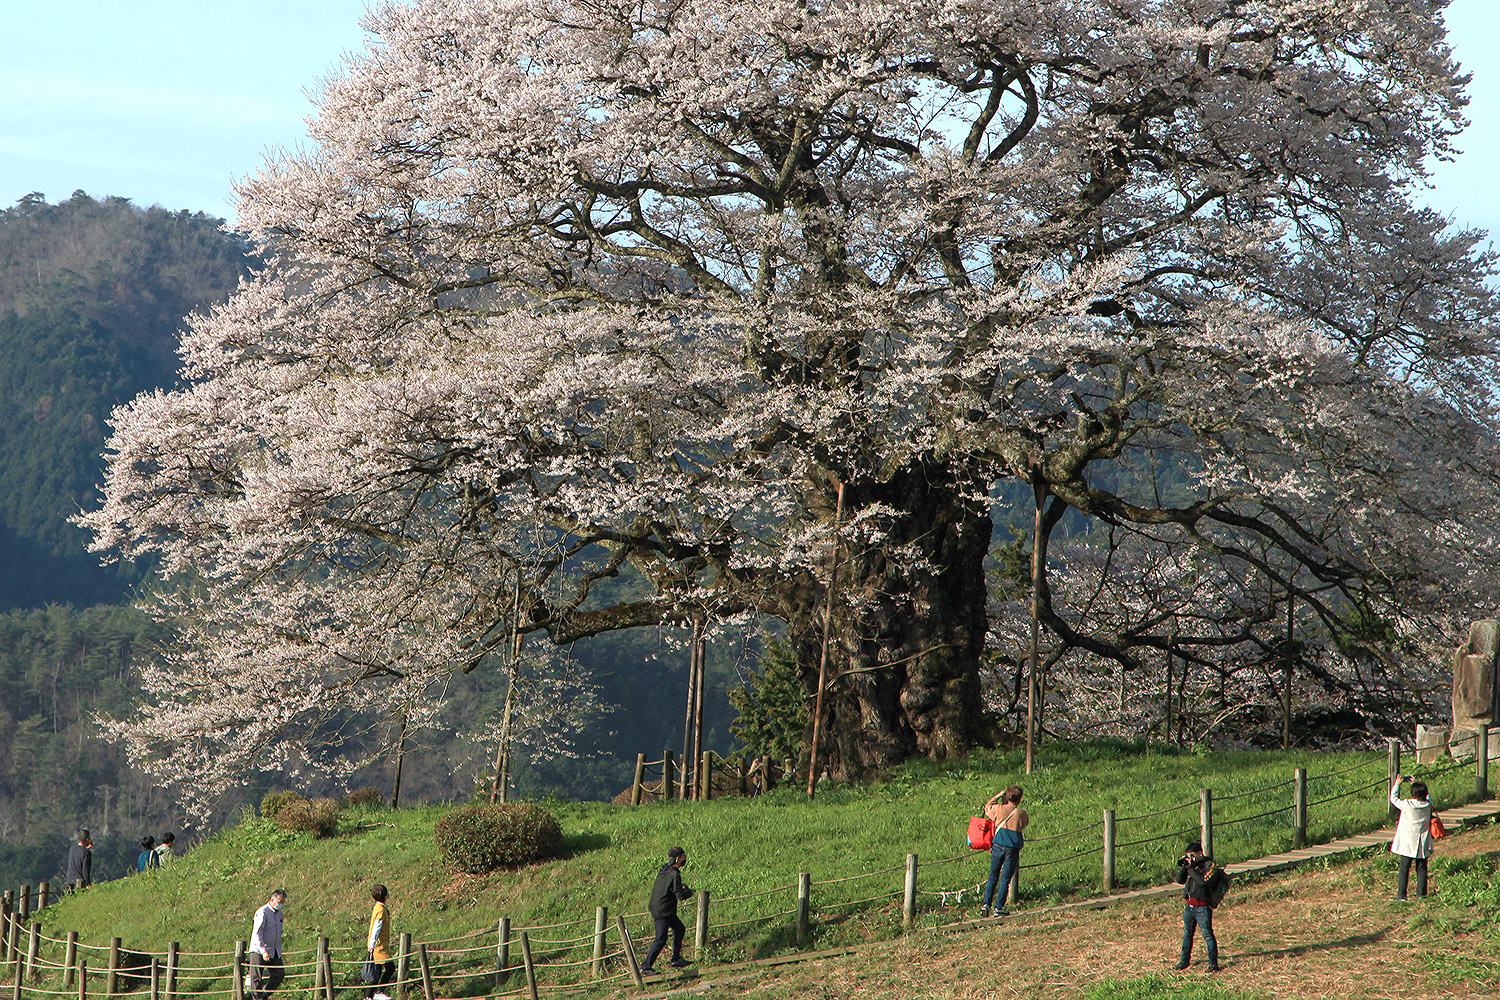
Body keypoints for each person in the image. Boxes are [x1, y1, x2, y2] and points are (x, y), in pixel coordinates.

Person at [639, 846, 693, 975]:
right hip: (663, 911)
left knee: (679, 928)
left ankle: (676, 959)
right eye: (684, 857)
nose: (685, 859)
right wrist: (690, 892)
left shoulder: (665, 869)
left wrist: (679, 885)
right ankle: (646, 967)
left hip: (660, 908)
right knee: (660, 938)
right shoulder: (675, 873)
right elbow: (679, 896)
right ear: (678, 858)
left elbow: (669, 885)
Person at [1174, 840, 1226, 972]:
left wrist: (1191, 868)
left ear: (1200, 853)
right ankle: (1184, 960)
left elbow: (1203, 882)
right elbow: (1180, 880)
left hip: (1202, 908)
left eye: (1192, 855)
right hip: (1189, 907)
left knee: (1208, 935)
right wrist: (1184, 867)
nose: (1190, 858)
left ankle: (1213, 963)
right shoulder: (1192, 867)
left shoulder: (1209, 865)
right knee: (1187, 934)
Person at [978, 785, 1028, 917]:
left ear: (1007, 796)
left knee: (993, 876)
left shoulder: (998, 810)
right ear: (1019, 799)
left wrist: (997, 796)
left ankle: (986, 905)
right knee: (1005, 878)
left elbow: (987, 807)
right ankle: (998, 907)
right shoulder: (1021, 813)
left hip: (997, 846)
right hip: (1012, 848)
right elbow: (1024, 823)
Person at [1390, 775, 1435, 900]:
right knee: (1422, 869)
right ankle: (1421, 894)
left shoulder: (1407, 804)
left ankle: (1401, 895)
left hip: (1407, 843)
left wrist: (1397, 784)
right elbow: (1429, 798)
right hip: (1422, 842)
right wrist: (1418, 783)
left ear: (1412, 793)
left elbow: (1393, 799)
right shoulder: (1428, 806)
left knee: (1404, 868)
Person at [249, 889, 287, 1000]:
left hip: (274, 950)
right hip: (258, 950)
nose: (281, 904)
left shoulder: (280, 914)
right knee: (256, 978)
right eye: (280, 901)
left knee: (279, 974)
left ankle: (264, 995)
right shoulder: (262, 912)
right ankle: (257, 998)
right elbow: (258, 933)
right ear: (272, 900)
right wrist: (263, 950)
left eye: (283, 902)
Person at [365, 885, 395, 1000]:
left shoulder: (377, 907)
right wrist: (372, 944)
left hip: (380, 945)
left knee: (377, 972)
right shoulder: (381, 910)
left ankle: (370, 995)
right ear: (385, 896)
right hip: (379, 946)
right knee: (388, 969)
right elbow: (376, 928)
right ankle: (376, 993)